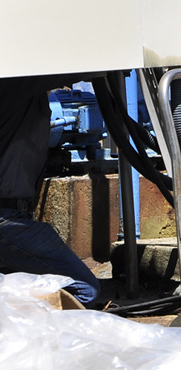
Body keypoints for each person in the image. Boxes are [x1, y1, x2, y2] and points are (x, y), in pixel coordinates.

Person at [0, 75, 102, 306]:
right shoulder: (13, 80)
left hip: (13, 216)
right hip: (7, 220)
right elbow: (63, 69)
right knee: (84, 290)